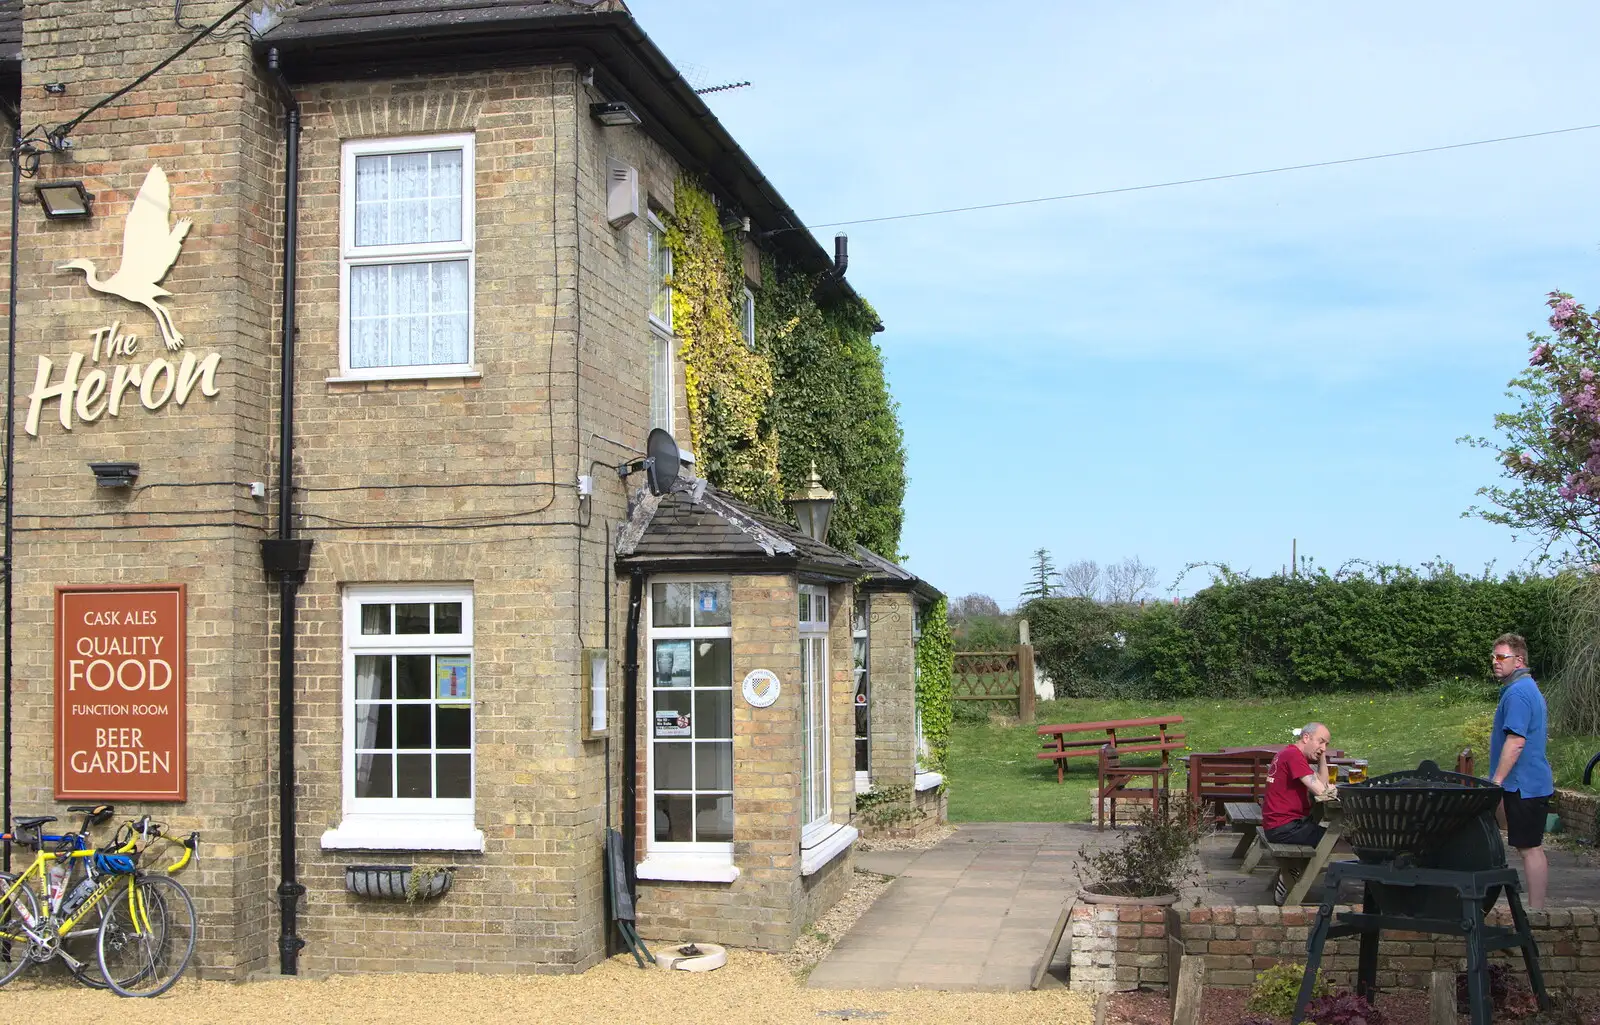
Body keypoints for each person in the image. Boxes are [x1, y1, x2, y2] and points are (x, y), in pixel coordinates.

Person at [1489, 633, 1553, 909]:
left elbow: (1516, 742)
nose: (1495, 661)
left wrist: (1497, 782)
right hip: (1527, 783)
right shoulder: (1523, 688)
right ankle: (1535, 910)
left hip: (1524, 785)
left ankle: (1536, 912)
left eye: (1501, 657)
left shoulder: (1518, 693)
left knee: (1530, 848)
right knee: (1527, 846)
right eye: (1493, 656)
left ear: (1519, 660)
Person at [1262, 722, 1338, 904]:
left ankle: (1291, 871)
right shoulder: (1293, 756)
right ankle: (1293, 877)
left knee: (1327, 838)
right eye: (1321, 742)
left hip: (1281, 825)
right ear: (1306, 737)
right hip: (1285, 828)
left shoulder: (1289, 753)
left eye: (1326, 744)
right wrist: (1331, 791)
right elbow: (1323, 791)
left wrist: (1322, 756)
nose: (1323, 747)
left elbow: (1321, 783)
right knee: (1335, 840)